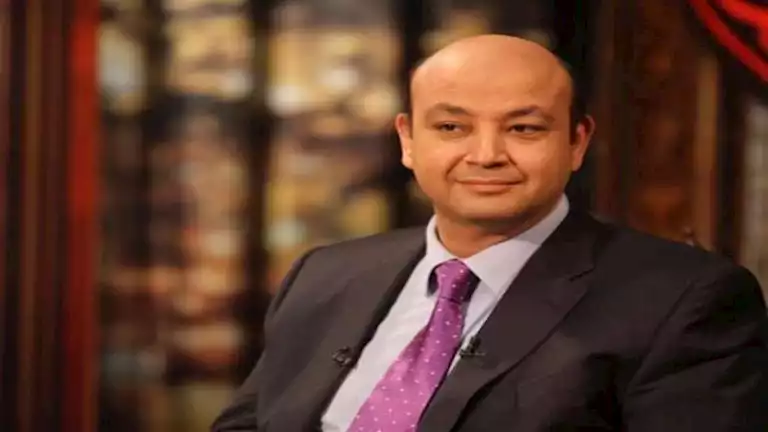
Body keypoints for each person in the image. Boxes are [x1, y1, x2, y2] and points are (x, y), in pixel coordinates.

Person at [212, 35, 768, 431]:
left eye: (523, 128)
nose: (485, 155)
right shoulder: (325, 274)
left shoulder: (683, 301)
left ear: (577, 141)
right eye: (451, 126)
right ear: (408, 140)